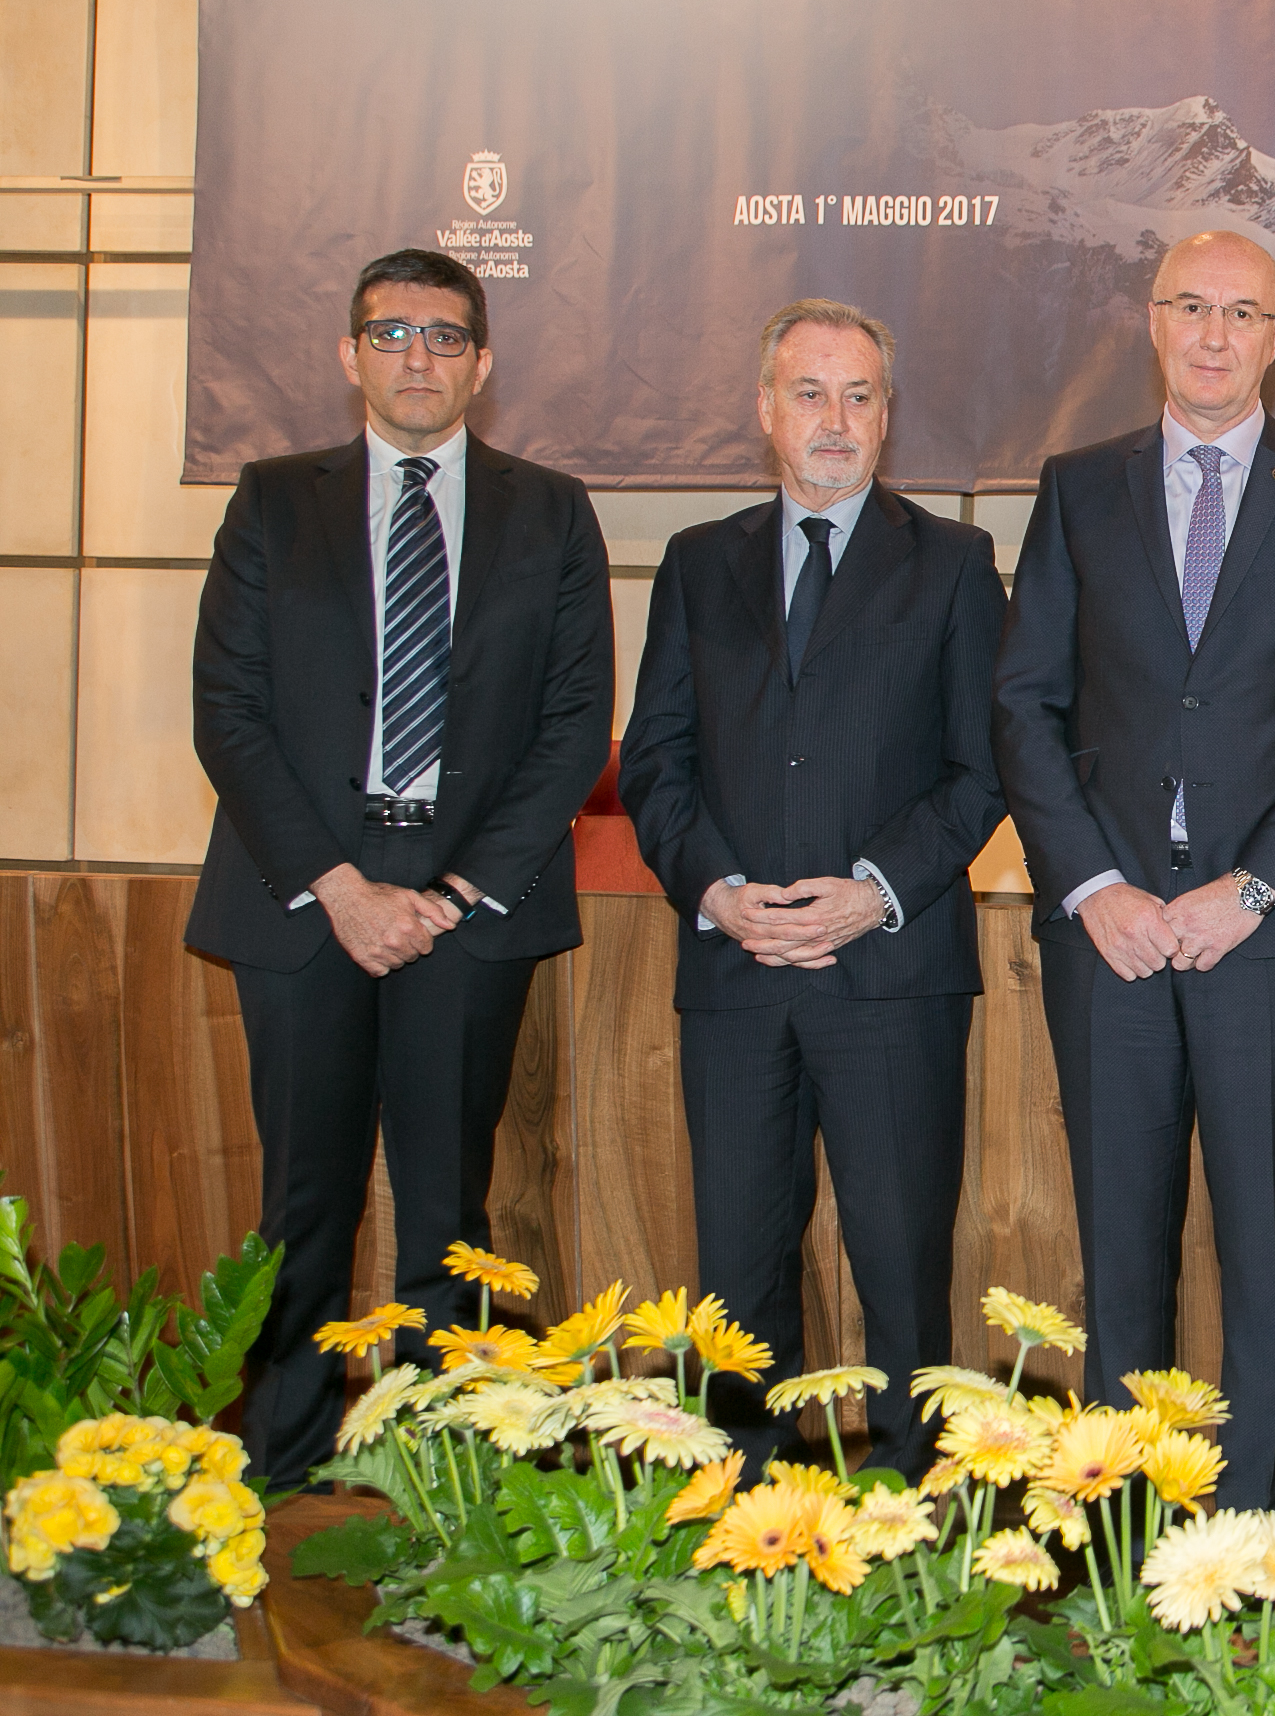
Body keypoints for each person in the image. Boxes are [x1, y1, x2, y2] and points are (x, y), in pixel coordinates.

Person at [992, 230, 1275, 1512]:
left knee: (1269, 1253)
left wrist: (1253, 887)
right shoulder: (1078, 486)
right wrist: (1091, 887)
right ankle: (1126, 1533)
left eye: (1243, 313)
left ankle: (1268, 1532)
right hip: (1108, 936)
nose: (1216, 335)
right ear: (1154, 322)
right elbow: (1024, 704)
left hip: (1267, 938)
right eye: (1193, 307)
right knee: (1119, 1251)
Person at [188, 247, 611, 1488]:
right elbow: (228, 711)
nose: (417, 357)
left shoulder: (552, 510)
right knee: (302, 1206)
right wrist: (340, 885)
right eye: (390, 333)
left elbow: (574, 725)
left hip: (467, 904)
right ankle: (279, 1472)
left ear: (482, 363)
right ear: (349, 355)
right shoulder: (274, 501)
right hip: (305, 897)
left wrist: (452, 892)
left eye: (444, 336)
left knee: (448, 1215)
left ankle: (440, 1478)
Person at [617, 300, 1008, 1478]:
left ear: (887, 417)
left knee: (901, 1274)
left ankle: (907, 1522)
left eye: (858, 396)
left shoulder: (954, 565)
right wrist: (717, 891)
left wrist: (876, 891)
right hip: (735, 976)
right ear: (765, 409)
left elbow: (984, 769)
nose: (833, 419)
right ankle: (746, 1509)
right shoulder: (698, 563)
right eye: (809, 393)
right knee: (737, 1280)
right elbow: (656, 761)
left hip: (891, 976)